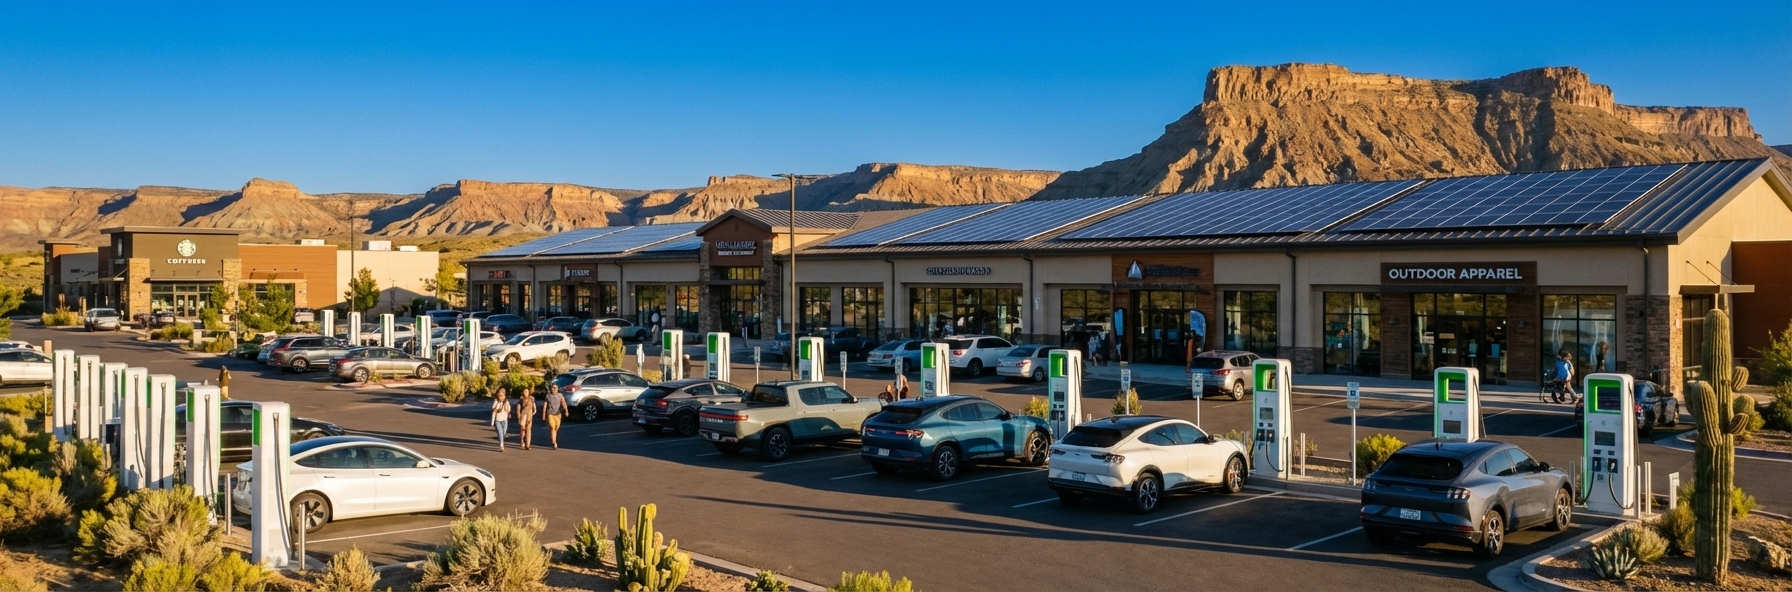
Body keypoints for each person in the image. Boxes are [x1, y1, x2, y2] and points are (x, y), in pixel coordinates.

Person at [542, 382, 568, 449]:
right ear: (551, 388)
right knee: (552, 427)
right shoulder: (548, 396)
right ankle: (554, 443)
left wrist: (566, 411)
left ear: (557, 389)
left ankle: (553, 438)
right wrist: (544, 415)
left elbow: (563, 403)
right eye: (553, 388)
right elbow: (545, 406)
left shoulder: (560, 395)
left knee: (556, 428)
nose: (554, 389)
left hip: (558, 414)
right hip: (550, 414)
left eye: (555, 388)